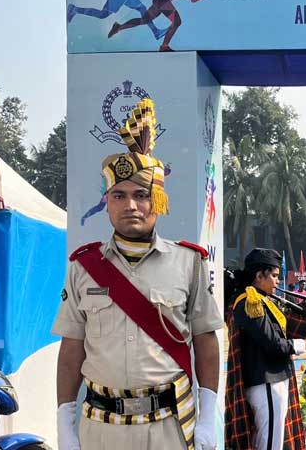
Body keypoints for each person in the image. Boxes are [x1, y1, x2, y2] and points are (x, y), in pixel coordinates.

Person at [53, 98, 222, 450]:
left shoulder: (188, 262)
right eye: (119, 195)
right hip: (102, 428)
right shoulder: (83, 267)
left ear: (156, 201)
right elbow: (72, 347)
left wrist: (208, 414)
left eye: (141, 195)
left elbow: (205, 339)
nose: (130, 205)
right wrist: (65, 423)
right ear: (108, 202)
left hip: (169, 426)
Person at [227, 248, 306, 450]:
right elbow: (273, 343)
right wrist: (305, 344)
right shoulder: (250, 302)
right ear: (259, 276)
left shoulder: (261, 300)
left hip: (271, 380)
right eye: (273, 276)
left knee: (270, 441)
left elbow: (280, 331)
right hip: (266, 382)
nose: (277, 281)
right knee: (270, 443)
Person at [109, 0, 214, 51]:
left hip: (161, 1)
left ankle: (119, 27)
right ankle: (164, 46)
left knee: (144, 20)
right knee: (177, 22)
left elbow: (193, 0)